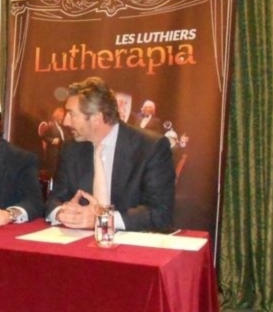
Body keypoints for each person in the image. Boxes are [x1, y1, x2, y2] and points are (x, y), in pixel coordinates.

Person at [45, 77, 175, 232]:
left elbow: (160, 213)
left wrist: (102, 219)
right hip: (79, 245)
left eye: (72, 114)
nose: (66, 122)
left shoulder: (150, 147)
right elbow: (55, 199)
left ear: (97, 118)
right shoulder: (71, 148)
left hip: (132, 248)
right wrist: (62, 213)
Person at [37, 106, 69, 177]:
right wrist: (52, 140)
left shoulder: (62, 128)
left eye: (63, 116)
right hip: (53, 156)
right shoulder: (51, 126)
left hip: (61, 155)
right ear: (56, 116)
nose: (62, 118)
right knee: (52, 174)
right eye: (60, 116)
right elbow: (43, 136)